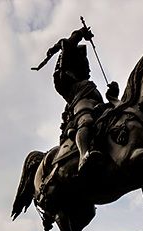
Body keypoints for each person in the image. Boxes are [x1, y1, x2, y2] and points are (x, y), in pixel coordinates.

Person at [33, 23, 107, 176]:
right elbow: (68, 43)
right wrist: (79, 33)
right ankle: (83, 156)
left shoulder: (89, 84)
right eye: (84, 64)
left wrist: (113, 93)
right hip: (82, 109)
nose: (88, 68)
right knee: (86, 120)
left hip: (100, 108)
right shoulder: (67, 83)